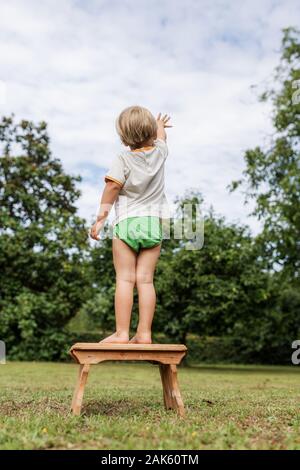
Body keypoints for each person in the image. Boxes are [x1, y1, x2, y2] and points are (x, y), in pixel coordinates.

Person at [90, 106, 172, 343]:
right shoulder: (160, 152)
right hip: (153, 225)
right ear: (151, 134)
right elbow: (162, 138)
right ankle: (144, 333)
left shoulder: (122, 158)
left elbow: (112, 187)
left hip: (127, 224)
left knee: (125, 279)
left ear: (124, 138)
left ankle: (122, 333)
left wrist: (101, 218)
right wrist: (159, 126)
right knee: (145, 280)